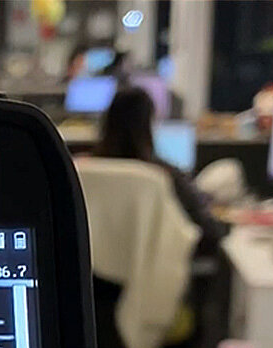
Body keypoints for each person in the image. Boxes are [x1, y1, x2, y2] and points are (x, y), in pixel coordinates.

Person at [92, 87, 228, 255]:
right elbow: (209, 231)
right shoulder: (163, 175)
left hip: (93, 268)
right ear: (149, 125)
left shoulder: (85, 171)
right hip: (153, 266)